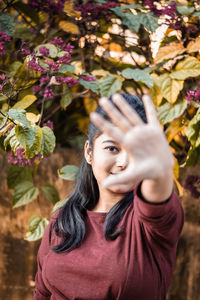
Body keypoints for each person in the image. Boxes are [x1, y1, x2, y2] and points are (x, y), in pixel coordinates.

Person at [34, 93, 184, 300]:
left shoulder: (151, 225)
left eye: (135, 152)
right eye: (112, 148)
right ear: (89, 152)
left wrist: (159, 169)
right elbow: (42, 292)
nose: (124, 162)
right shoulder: (61, 221)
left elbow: (157, 196)